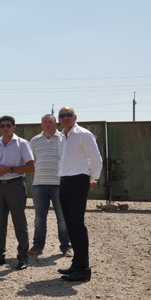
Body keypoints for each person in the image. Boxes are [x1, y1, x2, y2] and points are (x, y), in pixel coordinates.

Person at [57, 107, 102, 282]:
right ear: (59, 119)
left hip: (78, 181)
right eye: (62, 116)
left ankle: (83, 269)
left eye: (69, 115)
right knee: (70, 224)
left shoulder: (84, 134)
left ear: (75, 117)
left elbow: (96, 159)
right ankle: (76, 264)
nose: (66, 118)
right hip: (65, 181)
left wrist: (93, 179)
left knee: (77, 224)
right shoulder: (62, 136)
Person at [0, 115, 35, 270]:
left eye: (8, 125)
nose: (5, 128)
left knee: (19, 222)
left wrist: (10, 169)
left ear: (14, 127)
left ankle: (23, 257)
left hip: (15, 186)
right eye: (2, 126)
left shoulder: (22, 144)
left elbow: (31, 167)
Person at [29, 114, 73, 257]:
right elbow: (31, 161)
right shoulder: (34, 141)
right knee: (39, 218)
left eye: (50, 122)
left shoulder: (63, 138)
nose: (47, 124)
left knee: (62, 217)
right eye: (45, 122)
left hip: (59, 183)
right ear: (41, 124)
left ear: (56, 123)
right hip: (39, 184)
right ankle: (37, 245)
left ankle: (66, 246)